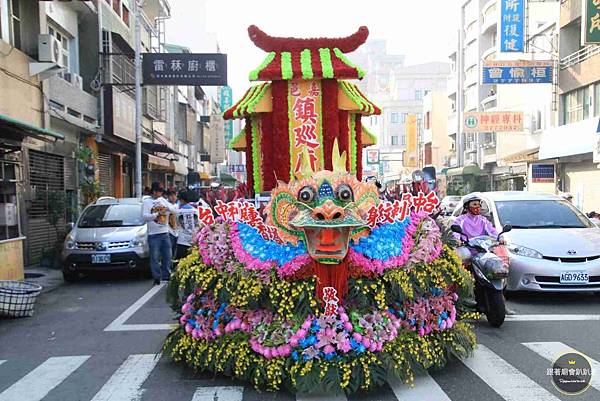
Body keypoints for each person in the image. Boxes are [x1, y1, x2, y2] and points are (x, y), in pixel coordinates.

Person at [143, 182, 177, 285]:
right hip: (153, 234)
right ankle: (157, 276)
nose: (161, 193)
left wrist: (167, 209)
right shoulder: (147, 202)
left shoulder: (163, 200)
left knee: (168, 255)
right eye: (159, 191)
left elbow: (173, 209)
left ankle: (166, 275)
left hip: (165, 232)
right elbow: (144, 216)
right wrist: (157, 214)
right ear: (154, 191)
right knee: (154, 257)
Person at [175, 190, 200, 260]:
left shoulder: (178, 212)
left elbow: (177, 224)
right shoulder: (196, 211)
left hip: (182, 241)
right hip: (193, 240)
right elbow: (198, 224)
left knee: (179, 262)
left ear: (182, 200)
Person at [166, 189, 179, 258]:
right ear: (167, 196)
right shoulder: (166, 205)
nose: (173, 197)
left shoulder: (178, 205)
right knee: (169, 251)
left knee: (175, 251)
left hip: (177, 232)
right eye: (171, 195)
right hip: (169, 231)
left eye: (175, 195)